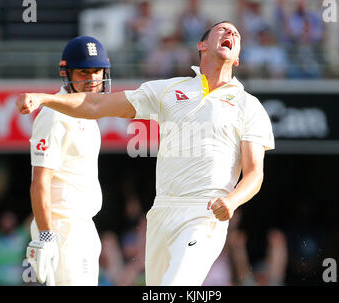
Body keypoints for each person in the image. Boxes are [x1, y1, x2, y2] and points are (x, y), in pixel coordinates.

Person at [16, 21, 275, 286]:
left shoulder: (249, 106)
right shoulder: (169, 90)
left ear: (239, 57)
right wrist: (43, 99)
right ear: (202, 45)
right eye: (223, 29)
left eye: (236, 33)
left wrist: (232, 202)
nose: (231, 33)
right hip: (162, 212)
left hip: (204, 211)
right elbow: (96, 104)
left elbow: (255, 174)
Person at [25, 36, 111, 286]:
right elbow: (39, 181)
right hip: (62, 228)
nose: (93, 79)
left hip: (83, 226)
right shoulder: (53, 116)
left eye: (97, 71)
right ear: (67, 72)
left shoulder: (88, 113)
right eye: (84, 72)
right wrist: (47, 235)